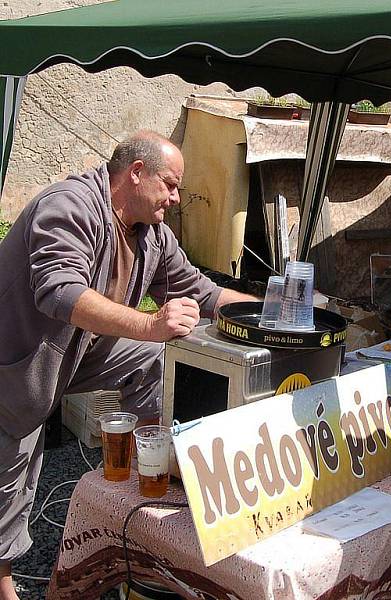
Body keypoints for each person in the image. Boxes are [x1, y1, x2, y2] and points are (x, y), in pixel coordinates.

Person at [0, 131, 255, 600]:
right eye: (170, 185)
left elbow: (203, 293)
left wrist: (272, 312)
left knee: (152, 355)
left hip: (74, 353)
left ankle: (145, 464)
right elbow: (58, 290)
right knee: (11, 472)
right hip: (18, 361)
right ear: (136, 173)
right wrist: (150, 322)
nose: (176, 199)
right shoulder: (69, 205)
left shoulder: (152, 235)